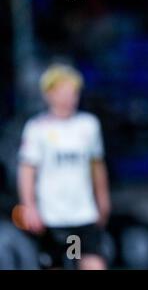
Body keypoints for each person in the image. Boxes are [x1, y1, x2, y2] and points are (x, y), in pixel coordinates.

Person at [17, 64, 111, 270]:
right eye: (65, 92)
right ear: (49, 94)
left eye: (74, 92)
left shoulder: (88, 125)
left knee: (94, 264)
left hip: (83, 214)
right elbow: (27, 169)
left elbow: (97, 166)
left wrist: (102, 198)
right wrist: (29, 205)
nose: (71, 98)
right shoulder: (37, 128)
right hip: (52, 216)